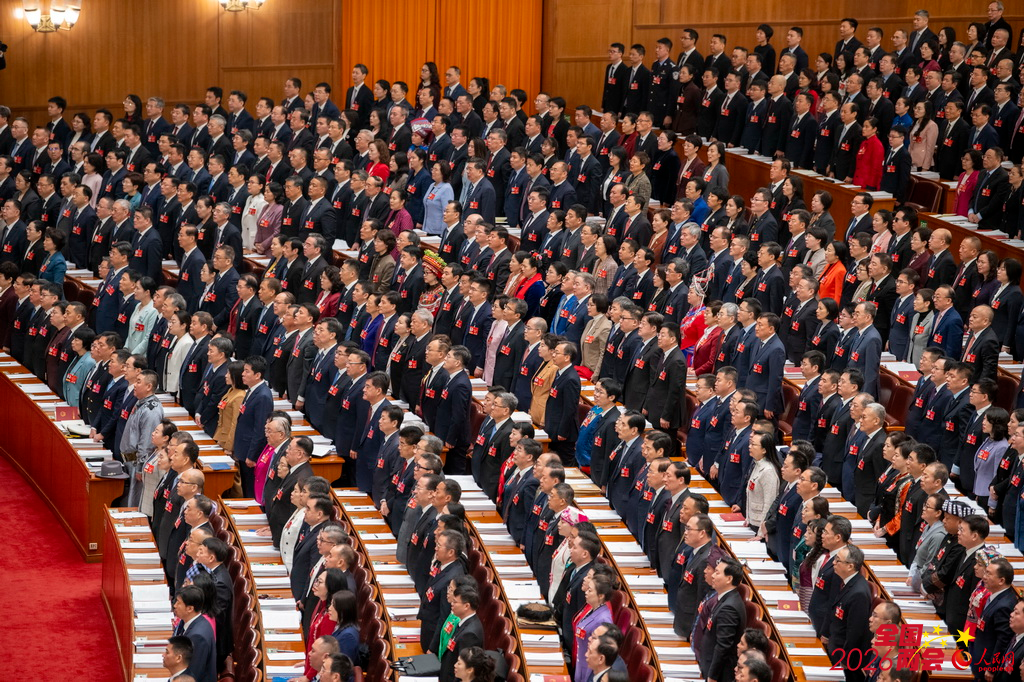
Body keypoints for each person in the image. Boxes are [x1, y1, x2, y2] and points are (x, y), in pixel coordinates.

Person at [696, 557, 746, 682]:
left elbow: (723, 646)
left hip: (720, 674)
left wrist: (713, 676)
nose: (713, 575)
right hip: (709, 663)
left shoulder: (729, 608)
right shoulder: (724, 598)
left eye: (717, 573)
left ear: (729, 579)